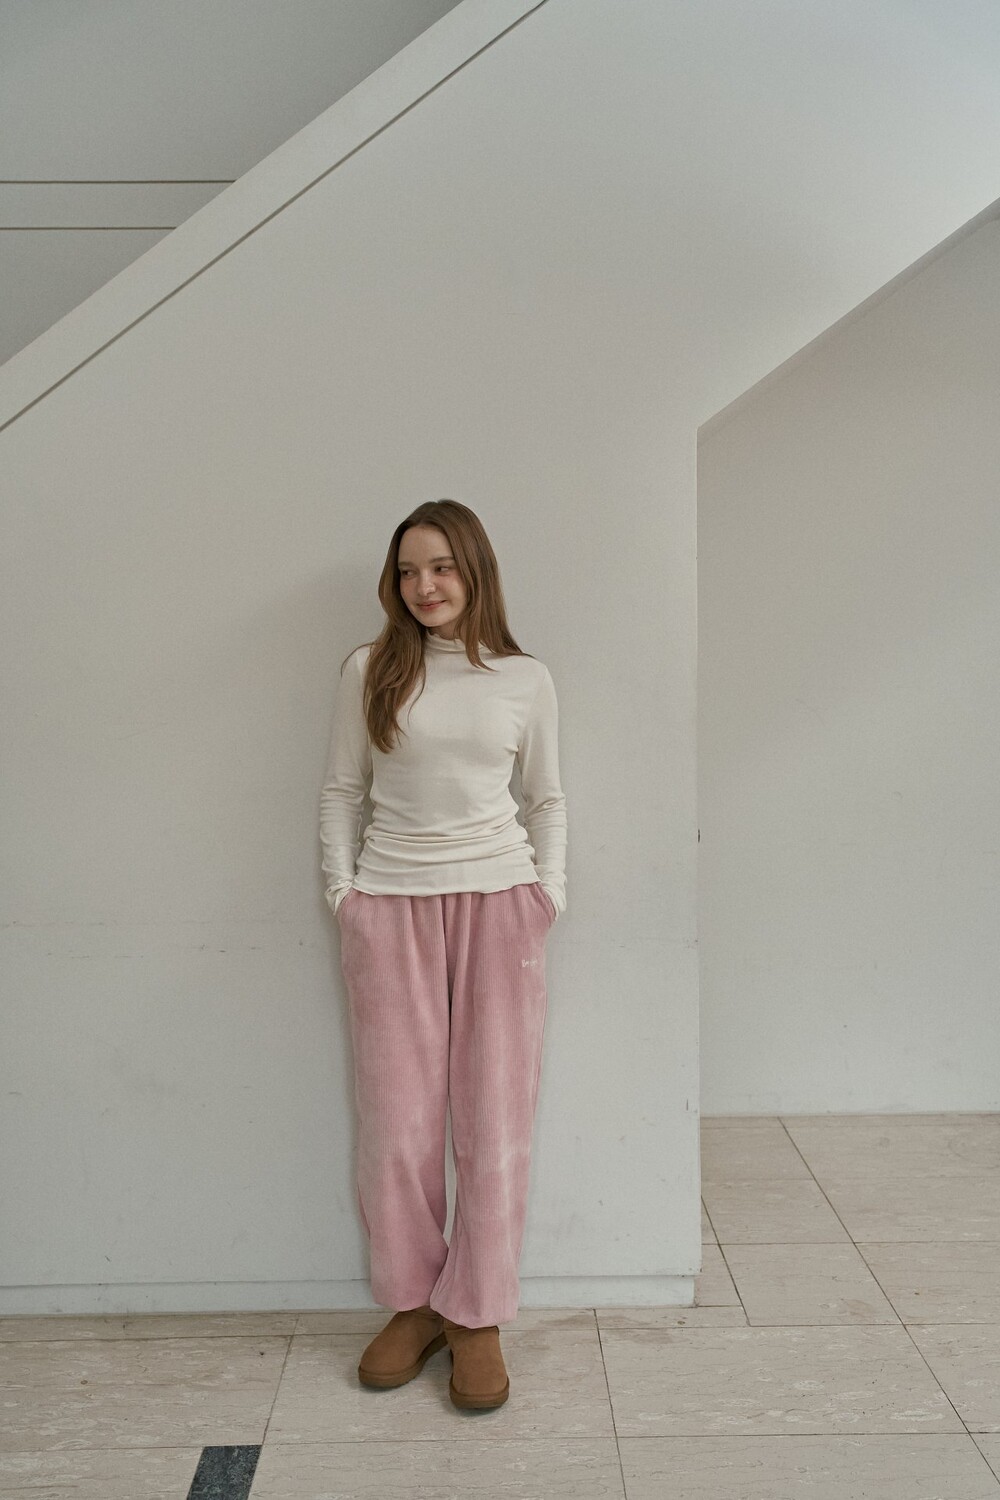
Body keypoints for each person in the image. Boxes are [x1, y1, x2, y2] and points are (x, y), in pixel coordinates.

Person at [318, 498, 567, 1411]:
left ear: (474, 569)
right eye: (408, 571)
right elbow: (342, 790)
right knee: (396, 1127)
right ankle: (417, 1304)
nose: (424, 586)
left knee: (494, 1124)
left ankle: (478, 1314)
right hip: (390, 908)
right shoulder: (369, 670)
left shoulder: (524, 678)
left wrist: (547, 895)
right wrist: (346, 899)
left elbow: (546, 797)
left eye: (441, 567)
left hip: (501, 906)